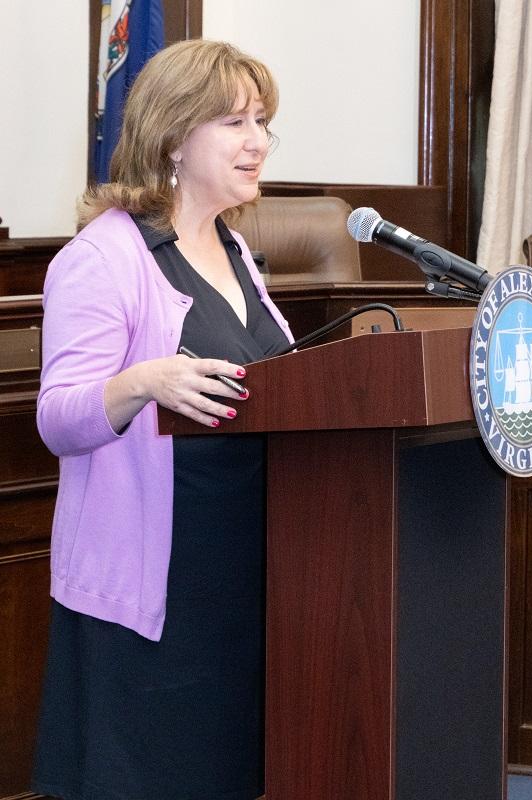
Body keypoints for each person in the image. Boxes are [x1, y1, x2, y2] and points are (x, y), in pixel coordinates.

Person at [32, 39, 293, 800]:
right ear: (175, 137)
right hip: (155, 585)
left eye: (263, 122)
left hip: (249, 570)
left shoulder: (237, 249)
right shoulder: (101, 257)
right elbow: (57, 419)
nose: (257, 142)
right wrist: (145, 380)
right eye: (235, 122)